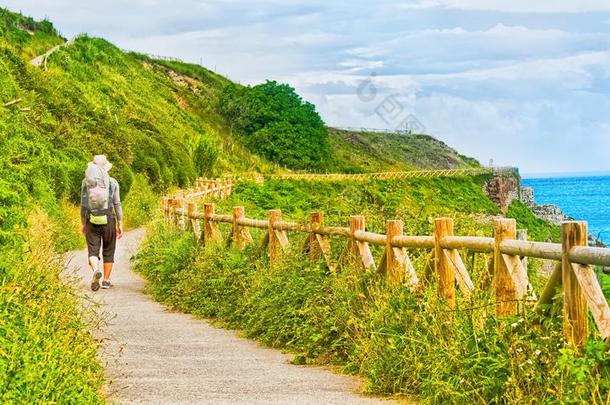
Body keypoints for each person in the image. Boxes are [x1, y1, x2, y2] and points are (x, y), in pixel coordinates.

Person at [80, 155, 124, 291]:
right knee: (109, 249)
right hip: (109, 218)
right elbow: (117, 204)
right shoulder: (113, 182)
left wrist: (83, 223)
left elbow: (83, 205)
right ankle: (105, 280)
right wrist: (120, 223)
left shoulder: (86, 182)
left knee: (93, 250)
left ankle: (95, 270)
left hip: (91, 218)